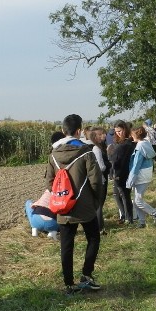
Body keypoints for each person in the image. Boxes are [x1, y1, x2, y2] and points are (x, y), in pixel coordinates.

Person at [46, 114, 104, 294]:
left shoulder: (53, 155)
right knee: (93, 238)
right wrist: (96, 202)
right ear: (79, 131)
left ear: (63, 131)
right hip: (85, 205)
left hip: (63, 207)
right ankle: (86, 275)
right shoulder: (87, 152)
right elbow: (96, 181)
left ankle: (69, 284)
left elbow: (49, 182)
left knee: (66, 245)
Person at [126, 126, 156, 228]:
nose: (131, 137)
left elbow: (136, 165)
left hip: (140, 176)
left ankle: (155, 213)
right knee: (136, 200)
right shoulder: (146, 143)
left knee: (137, 200)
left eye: (132, 135)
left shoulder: (139, 147)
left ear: (135, 135)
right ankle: (142, 222)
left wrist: (130, 181)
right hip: (146, 174)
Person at [108, 120, 135, 224]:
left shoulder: (129, 142)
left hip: (124, 171)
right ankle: (123, 215)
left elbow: (124, 159)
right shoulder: (117, 141)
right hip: (115, 171)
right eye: (116, 131)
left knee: (125, 194)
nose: (118, 133)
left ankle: (129, 218)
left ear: (124, 129)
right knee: (116, 194)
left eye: (120, 131)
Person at [87, 126, 111, 233]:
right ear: (96, 137)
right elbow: (101, 167)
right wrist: (109, 164)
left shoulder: (96, 146)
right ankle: (100, 228)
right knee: (99, 204)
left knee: (98, 204)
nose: (104, 136)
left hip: (97, 179)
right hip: (99, 179)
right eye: (101, 134)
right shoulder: (96, 148)